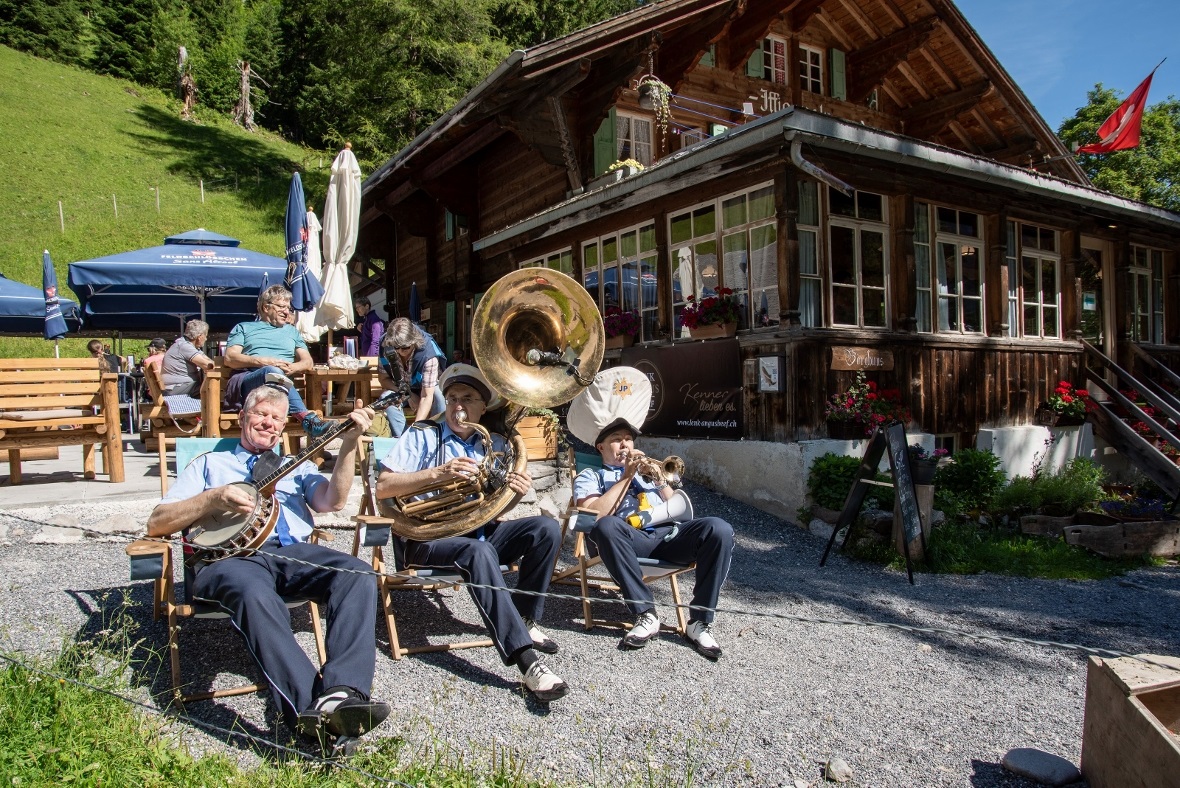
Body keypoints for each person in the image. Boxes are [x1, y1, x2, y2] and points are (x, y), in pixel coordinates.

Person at [146, 385, 388, 752]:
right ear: (242, 417)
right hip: (230, 560)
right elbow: (157, 522)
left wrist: (350, 445)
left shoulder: (297, 466)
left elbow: (332, 502)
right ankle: (314, 718)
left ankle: (343, 691)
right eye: (261, 413)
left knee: (359, 573)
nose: (269, 423)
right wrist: (213, 496)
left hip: (291, 554)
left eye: (277, 418)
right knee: (256, 594)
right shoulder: (210, 463)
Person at [375, 363, 568, 702]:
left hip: (476, 533)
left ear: (483, 406)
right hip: (426, 539)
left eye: (467, 398)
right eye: (451, 398)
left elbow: (488, 509)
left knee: (545, 528)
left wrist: (513, 497)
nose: (457, 406)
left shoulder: (489, 444)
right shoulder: (422, 434)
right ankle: (527, 662)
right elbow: (384, 487)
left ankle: (525, 619)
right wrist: (438, 474)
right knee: (480, 552)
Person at [569, 367, 734, 660]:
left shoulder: (647, 474)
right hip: (626, 539)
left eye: (629, 439)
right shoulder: (591, 476)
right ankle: (646, 614)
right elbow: (591, 518)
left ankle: (699, 622)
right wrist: (623, 478)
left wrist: (659, 479)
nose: (625, 445)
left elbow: (679, 509)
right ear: (601, 446)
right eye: (617, 439)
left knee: (718, 529)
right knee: (607, 527)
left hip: (665, 535)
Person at [223, 285, 333, 439]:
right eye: (281, 306)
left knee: (274, 372)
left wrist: (293, 367)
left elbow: (307, 362)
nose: (287, 311)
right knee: (271, 371)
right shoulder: (244, 327)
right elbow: (230, 358)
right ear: (266, 307)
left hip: (281, 388)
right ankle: (307, 420)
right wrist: (262, 362)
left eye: (289, 308)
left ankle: (308, 421)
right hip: (251, 383)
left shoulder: (292, 332)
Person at [377, 317, 446, 437]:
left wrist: (416, 427)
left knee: (439, 395)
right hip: (402, 388)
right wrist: (407, 395)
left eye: (405, 348)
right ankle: (402, 438)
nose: (399, 352)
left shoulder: (428, 355)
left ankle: (436, 434)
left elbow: (426, 396)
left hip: (428, 389)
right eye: (395, 347)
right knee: (386, 397)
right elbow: (383, 380)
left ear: (414, 342)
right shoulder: (386, 346)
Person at [160, 321, 215, 397]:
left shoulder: (188, 346)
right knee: (212, 389)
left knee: (209, 388)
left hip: (179, 387)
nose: (206, 339)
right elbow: (207, 365)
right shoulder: (184, 346)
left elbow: (209, 362)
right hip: (176, 388)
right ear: (199, 337)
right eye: (205, 336)